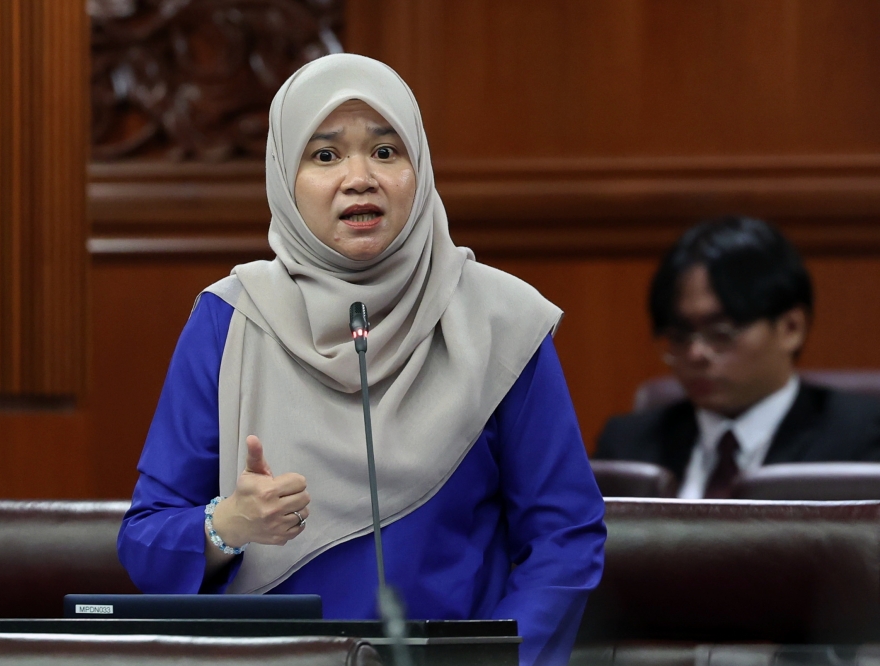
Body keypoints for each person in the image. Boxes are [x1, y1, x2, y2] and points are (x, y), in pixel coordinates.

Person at [117, 53, 605, 665]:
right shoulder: (230, 319)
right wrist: (227, 525)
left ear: (420, 167)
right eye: (324, 155)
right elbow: (144, 541)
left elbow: (564, 536)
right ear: (284, 179)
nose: (359, 177)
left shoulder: (501, 322)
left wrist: (501, 661)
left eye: (385, 151)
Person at [595, 216, 880, 498]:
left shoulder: (862, 438)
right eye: (680, 336)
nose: (695, 354)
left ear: (791, 328)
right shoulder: (627, 446)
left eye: (721, 333)